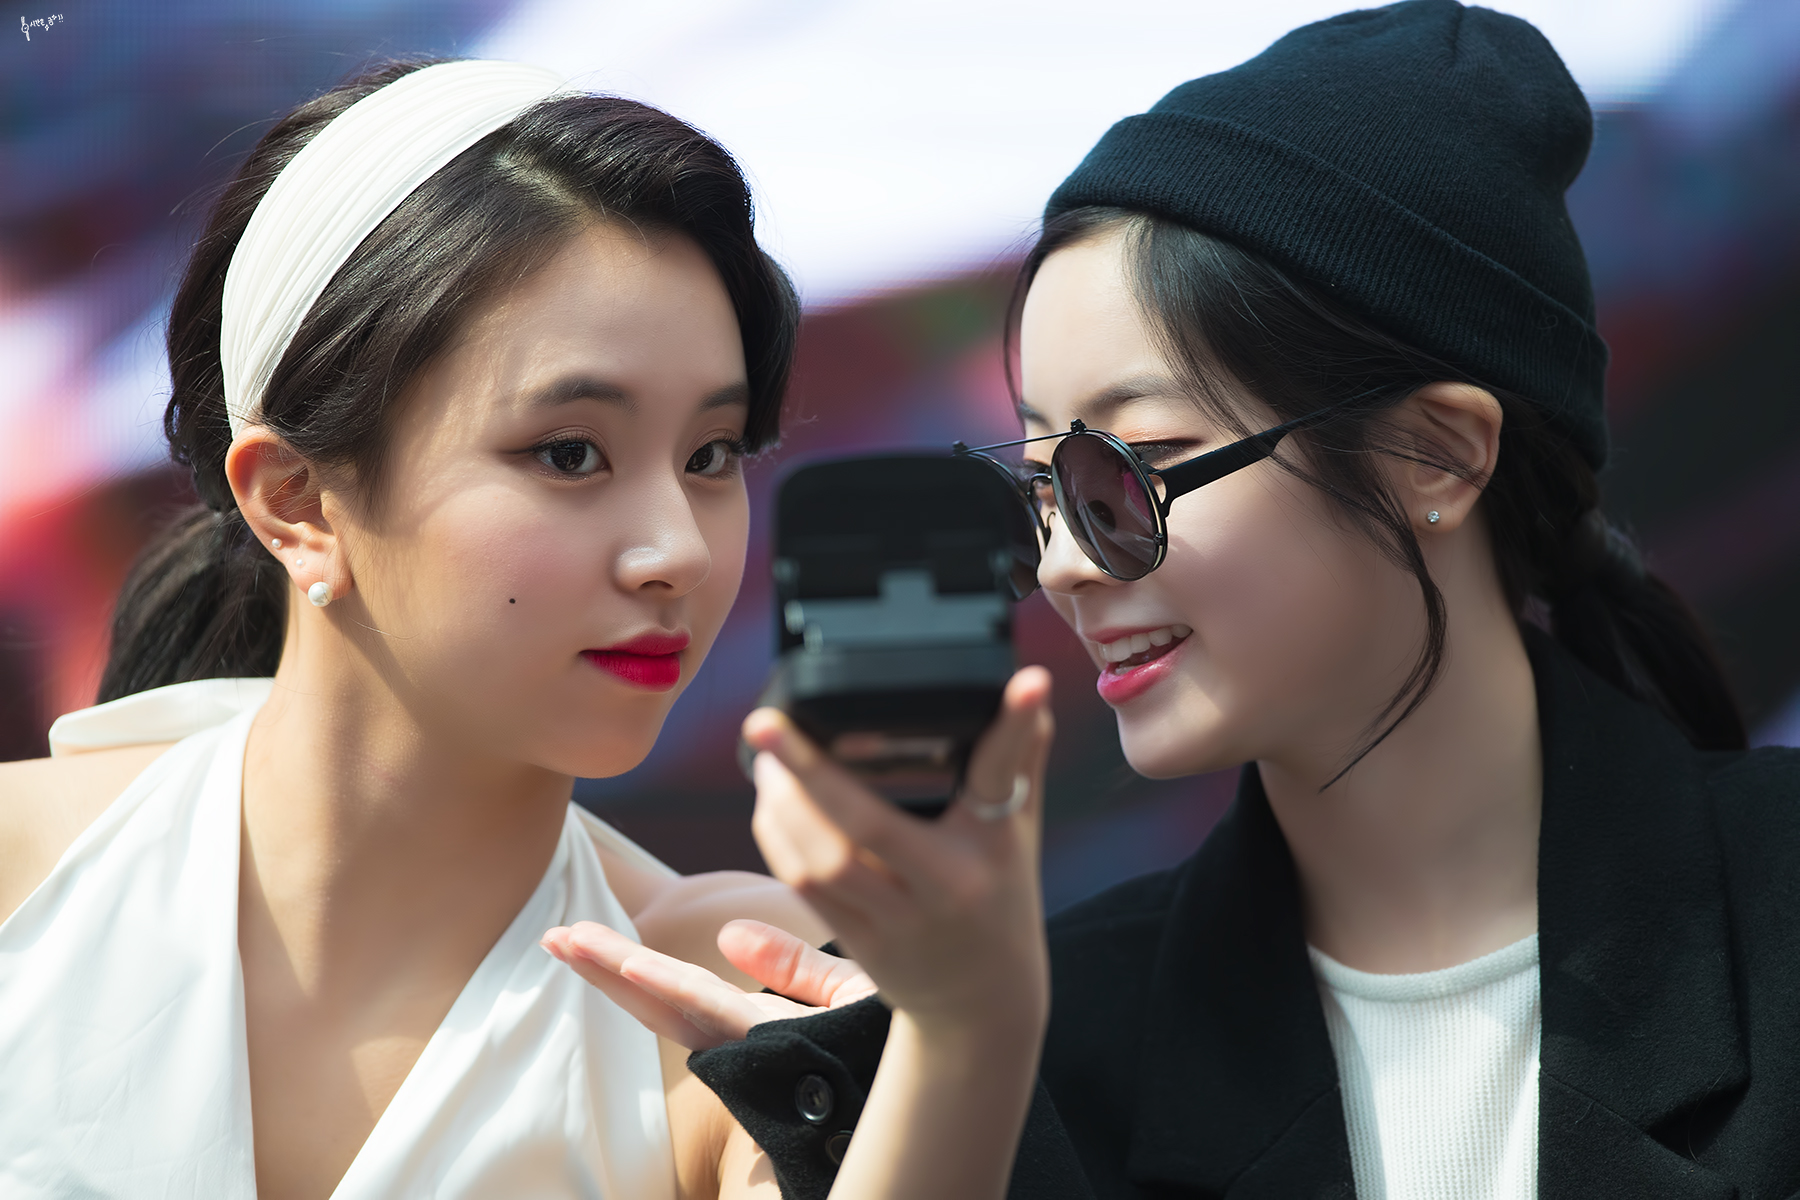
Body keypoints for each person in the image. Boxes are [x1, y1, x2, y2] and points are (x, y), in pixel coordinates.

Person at [558, 3, 1800, 1197]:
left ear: (1438, 455)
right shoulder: (1032, 1058)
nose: (1064, 565)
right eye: (1041, 489)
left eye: (1127, 473)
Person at [0, 58, 1053, 1200]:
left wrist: (967, 1033)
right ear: (297, 502)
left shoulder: (733, 984)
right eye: (570, 453)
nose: (680, 551)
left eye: (711, 455)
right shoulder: (26, 872)